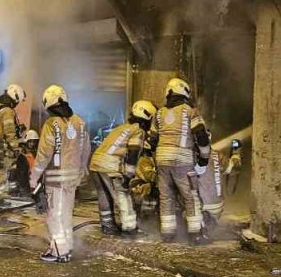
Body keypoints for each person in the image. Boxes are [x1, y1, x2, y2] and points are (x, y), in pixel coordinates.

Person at [29, 85, 89, 263]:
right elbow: (86, 148)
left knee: (55, 215)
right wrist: (82, 168)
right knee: (66, 213)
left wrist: (34, 177)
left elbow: (44, 154)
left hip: (55, 178)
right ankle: (67, 245)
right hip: (73, 178)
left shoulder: (51, 124)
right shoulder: (80, 122)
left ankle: (58, 251)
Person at [150, 78, 212, 244]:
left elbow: (153, 139)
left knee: (166, 197)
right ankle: (195, 234)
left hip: (162, 160)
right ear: (185, 92)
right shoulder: (190, 111)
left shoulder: (159, 113)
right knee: (190, 196)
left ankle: (168, 233)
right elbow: (202, 137)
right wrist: (203, 161)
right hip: (183, 161)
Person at [89, 100, 156, 236]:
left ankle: (108, 225)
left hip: (96, 162)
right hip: (111, 165)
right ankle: (130, 228)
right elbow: (132, 153)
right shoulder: (138, 131)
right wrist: (128, 175)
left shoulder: (122, 127)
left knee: (104, 195)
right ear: (148, 117)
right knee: (122, 195)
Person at [0, 84, 25, 202]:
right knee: (1, 174)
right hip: (4, 150)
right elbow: (9, 131)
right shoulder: (7, 111)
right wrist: (16, 149)